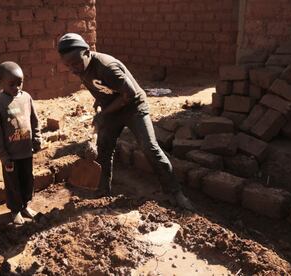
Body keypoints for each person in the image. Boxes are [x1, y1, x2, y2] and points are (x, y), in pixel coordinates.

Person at [57, 33, 194, 210]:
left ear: (87, 52)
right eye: (68, 66)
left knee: (149, 147)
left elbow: (129, 94)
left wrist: (103, 114)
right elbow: (101, 89)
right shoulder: (81, 68)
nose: (73, 69)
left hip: (134, 107)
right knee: (104, 148)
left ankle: (175, 193)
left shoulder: (107, 66)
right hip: (112, 109)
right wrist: (99, 104)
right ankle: (103, 189)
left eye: (75, 63)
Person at [0, 61, 42, 224]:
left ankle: (25, 205)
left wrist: (37, 138)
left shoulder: (26, 98)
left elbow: (34, 120)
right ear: (1, 82)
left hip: (26, 150)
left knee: (27, 179)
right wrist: (3, 155)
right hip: (10, 154)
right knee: (13, 183)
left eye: (20, 83)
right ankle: (15, 210)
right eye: (12, 84)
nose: (17, 87)